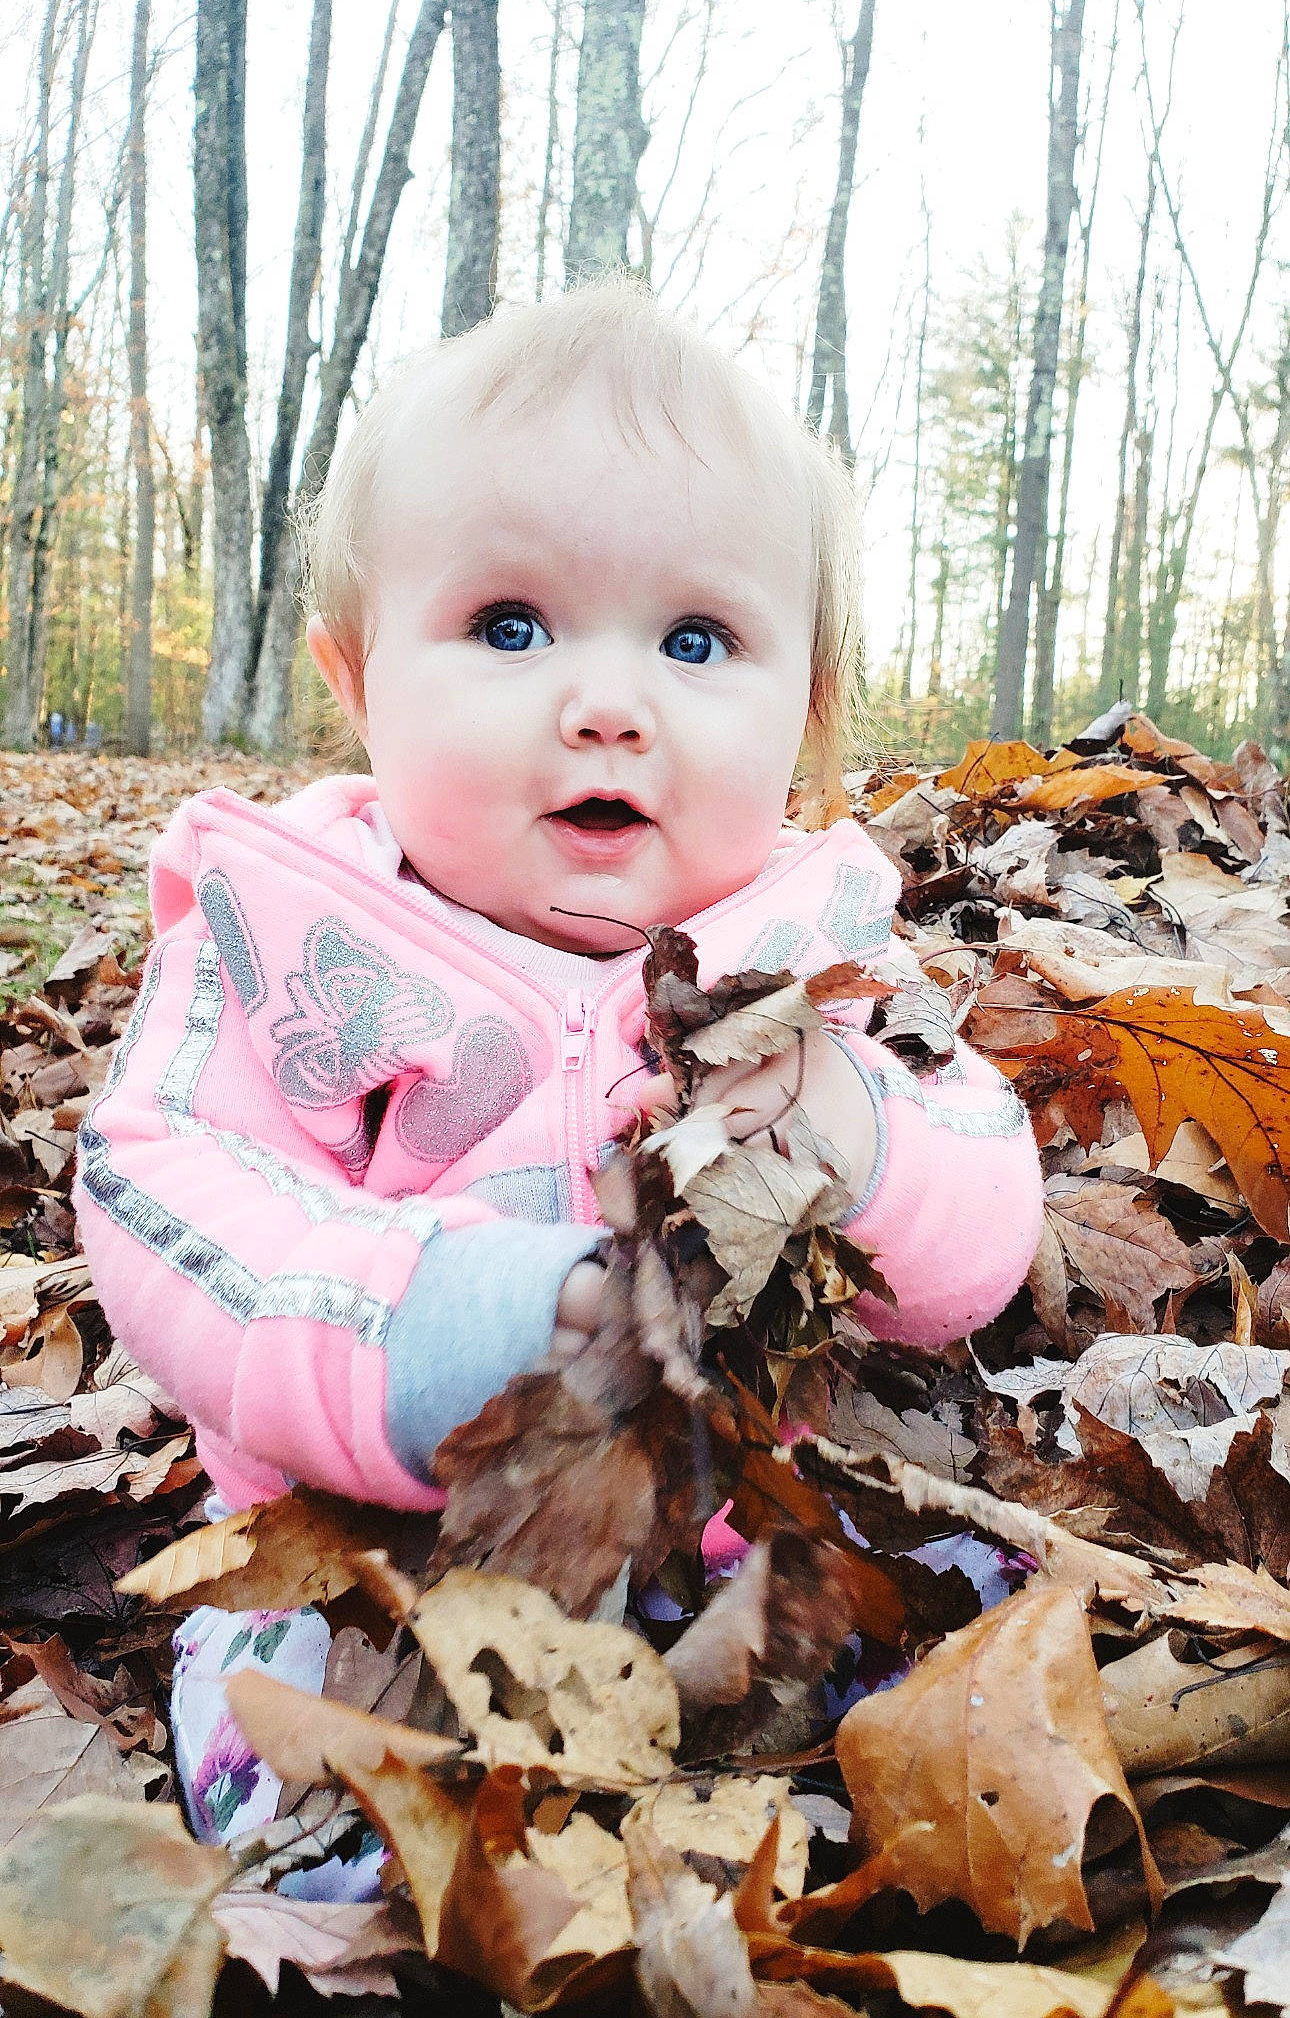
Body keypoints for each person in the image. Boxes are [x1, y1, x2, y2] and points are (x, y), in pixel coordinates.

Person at [74, 278, 1043, 1886]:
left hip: (739, 1522)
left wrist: (859, 1139)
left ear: (801, 710)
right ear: (357, 678)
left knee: (967, 1634)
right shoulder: (290, 940)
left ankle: (825, 1842)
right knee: (328, 1768)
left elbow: (977, 1197)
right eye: (509, 628)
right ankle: (412, 1901)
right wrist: (442, 1333)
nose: (607, 701)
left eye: (694, 639)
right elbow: (166, 1195)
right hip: (381, 1547)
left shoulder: (807, 949)